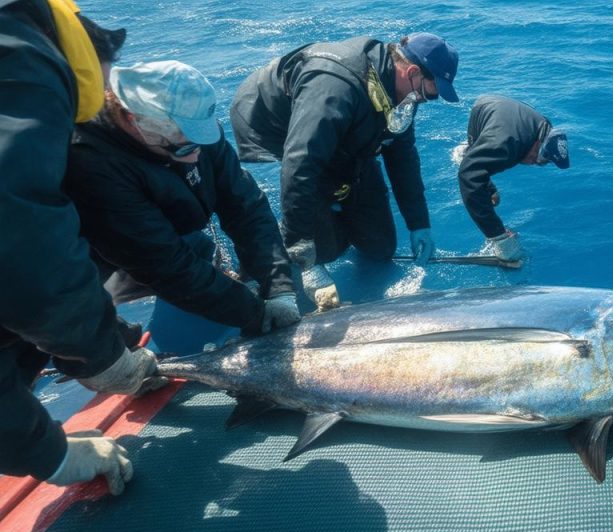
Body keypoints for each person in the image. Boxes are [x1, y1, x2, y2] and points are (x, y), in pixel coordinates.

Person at [1, 0, 154, 497]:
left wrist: (107, 341)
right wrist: (50, 454)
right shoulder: (27, 70)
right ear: (92, 58)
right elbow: (23, 251)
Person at [64, 61, 301, 340]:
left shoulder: (191, 130)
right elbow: (162, 264)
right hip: (99, 250)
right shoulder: (92, 164)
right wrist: (254, 314)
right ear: (133, 119)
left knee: (204, 262)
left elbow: (245, 206)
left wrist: (278, 288)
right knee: (91, 320)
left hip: (167, 228)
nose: (196, 155)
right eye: (184, 147)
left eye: (202, 140)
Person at [230, 32, 459, 310]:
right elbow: (300, 163)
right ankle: (279, 241)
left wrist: (418, 222)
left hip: (347, 123)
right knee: (327, 249)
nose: (424, 100)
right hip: (274, 118)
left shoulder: (403, 91)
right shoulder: (335, 89)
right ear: (411, 71)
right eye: (428, 94)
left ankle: (331, 209)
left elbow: (403, 156)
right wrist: (302, 250)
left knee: (380, 247)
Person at [453, 94, 570, 262]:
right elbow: (467, 176)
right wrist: (498, 236)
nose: (534, 162)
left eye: (543, 162)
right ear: (538, 142)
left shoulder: (546, 130)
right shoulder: (507, 144)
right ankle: (467, 153)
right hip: (482, 110)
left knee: (482, 169)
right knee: (470, 169)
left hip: (499, 107)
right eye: (538, 157)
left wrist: (489, 189)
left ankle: (479, 163)